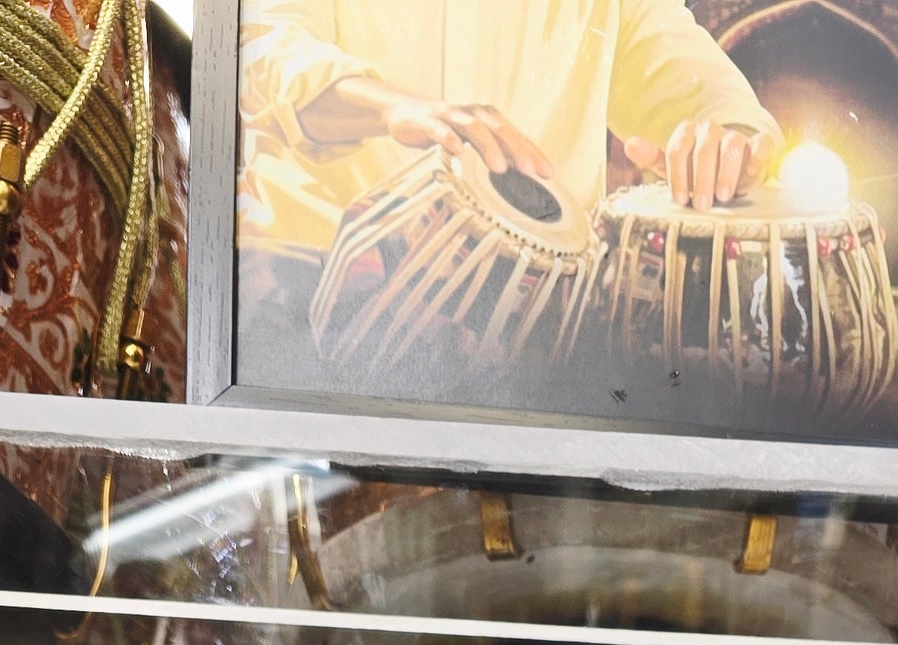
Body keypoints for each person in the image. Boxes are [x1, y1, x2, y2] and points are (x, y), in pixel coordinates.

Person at [237, 0, 780, 374]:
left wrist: (728, 139)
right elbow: (260, 44)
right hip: (306, 300)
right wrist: (394, 107)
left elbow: (692, 78)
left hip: (536, 332)